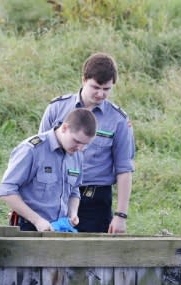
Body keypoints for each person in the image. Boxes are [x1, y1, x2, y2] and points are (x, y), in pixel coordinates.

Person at [39, 52, 135, 234]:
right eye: (96, 87)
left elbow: (124, 169)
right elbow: (40, 156)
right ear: (84, 80)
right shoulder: (57, 109)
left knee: (93, 258)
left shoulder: (118, 120)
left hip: (95, 200)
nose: (101, 94)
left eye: (107, 89)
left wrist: (121, 215)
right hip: (57, 193)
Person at [0, 108, 97, 232]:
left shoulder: (77, 153)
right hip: (28, 228)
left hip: (60, 229)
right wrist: (37, 220)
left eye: (85, 144)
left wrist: (73, 213)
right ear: (65, 128)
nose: (80, 148)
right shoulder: (32, 150)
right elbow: (6, 190)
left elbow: (74, 189)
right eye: (76, 141)